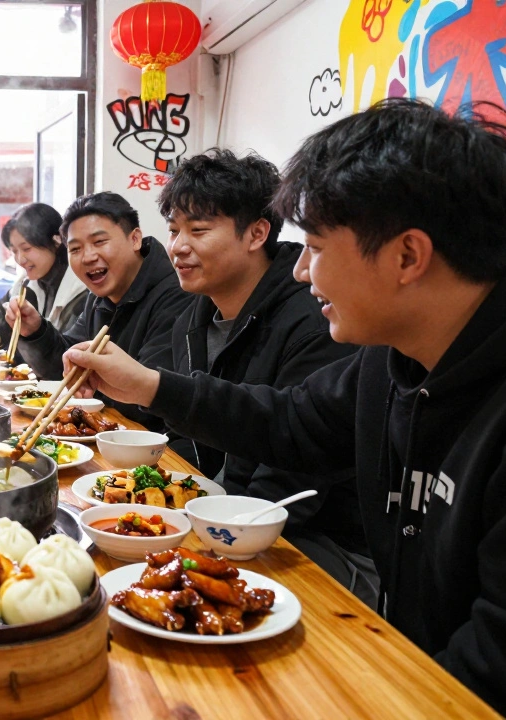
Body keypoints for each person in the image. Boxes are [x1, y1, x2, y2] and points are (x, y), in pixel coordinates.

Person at [63, 99, 506, 718]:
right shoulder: (394, 352)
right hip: (408, 659)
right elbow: (291, 421)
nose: (300, 271)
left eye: (315, 246)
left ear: (407, 256)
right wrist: (152, 387)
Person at [160, 148, 371, 604]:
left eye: (197, 230)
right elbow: (194, 442)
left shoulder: (318, 319)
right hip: (229, 511)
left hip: (318, 539)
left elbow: (291, 479)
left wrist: (196, 537)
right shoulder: (192, 320)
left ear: (257, 233)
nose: (177, 247)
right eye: (173, 230)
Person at [10, 191, 191, 432]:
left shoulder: (176, 295)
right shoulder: (99, 297)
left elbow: (151, 402)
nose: (88, 257)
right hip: (113, 439)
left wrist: (96, 380)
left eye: (99, 242)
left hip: (156, 450)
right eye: (75, 249)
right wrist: (36, 332)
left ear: (135, 239)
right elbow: (68, 368)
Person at [0, 203, 88, 358]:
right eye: (14, 251)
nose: (20, 259)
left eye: (26, 249)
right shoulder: (25, 285)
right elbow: (3, 335)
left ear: (56, 240)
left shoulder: (83, 290)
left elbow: (65, 354)